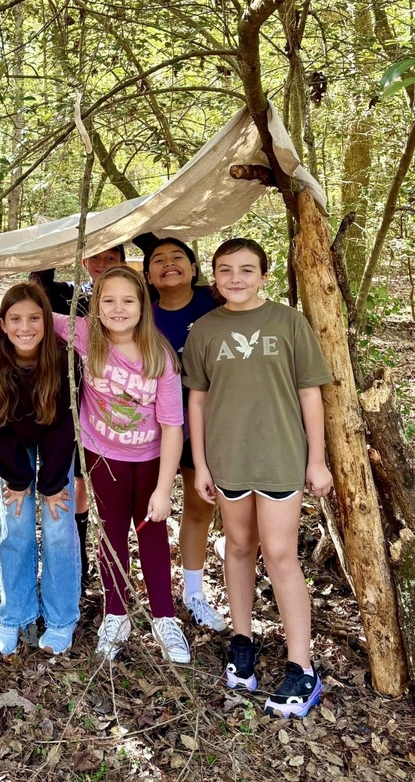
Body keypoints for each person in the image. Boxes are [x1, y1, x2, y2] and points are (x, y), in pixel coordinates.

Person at [183, 238, 333, 718]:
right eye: (225, 270)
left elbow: (311, 393)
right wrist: (202, 464)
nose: (236, 278)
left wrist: (317, 460)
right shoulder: (204, 329)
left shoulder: (288, 321)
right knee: (240, 547)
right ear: (214, 276)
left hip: (279, 456)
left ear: (264, 275)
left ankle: (301, 667)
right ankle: (242, 642)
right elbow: (198, 402)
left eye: (247, 270)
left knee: (281, 553)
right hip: (228, 460)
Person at [51, 264, 189, 662]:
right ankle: (116, 613)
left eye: (127, 300)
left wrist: (164, 490)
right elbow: (34, 317)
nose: (117, 308)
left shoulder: (159, 357)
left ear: (142, 306)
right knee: (111, 535)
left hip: (149, 460)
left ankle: (165, 617)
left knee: (152, 533)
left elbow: (173, 428)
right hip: (103, 457)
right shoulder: (86, 335)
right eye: (108, 300)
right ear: (95, 305)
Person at [0, 282, 82, 656]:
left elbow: (65, 424)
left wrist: (52, 484)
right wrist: (18, 480)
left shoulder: (66, 358)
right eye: (16, 319)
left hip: (54, 440)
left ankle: (61, 618)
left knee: (58, 523)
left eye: (34, 318)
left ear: (47, 321)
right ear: (2, 324)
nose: (25, 327)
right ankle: (15, 616)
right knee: (15, 522)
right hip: (11, 444)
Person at [135, 233, 225, 633]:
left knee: (199, 505)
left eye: (178, 257)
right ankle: (139, 595)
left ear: (193, 267)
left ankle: (193, 592)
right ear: (148, 275)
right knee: (146, 511)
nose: (168, 263)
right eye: (158, 259)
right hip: (148, 429)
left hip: (209, 424)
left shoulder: (217, 302)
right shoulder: (141, 317)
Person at [30, 244, 126, 586]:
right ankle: (77, 554)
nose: (102, 265)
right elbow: (36, 290)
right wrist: (59, 240)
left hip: (110, 408)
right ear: (83, 261)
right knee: (76, 480)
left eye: (111, 258)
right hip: (66, 404)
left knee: (93, 482)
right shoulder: (69, 295)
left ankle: (100, 556)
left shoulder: (129, 300)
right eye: (96, 257)